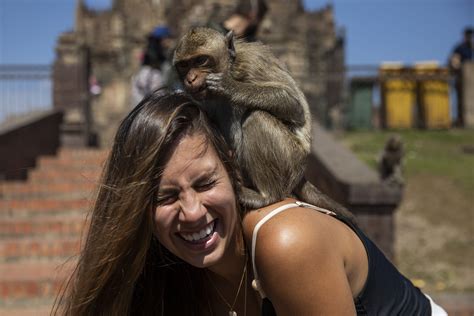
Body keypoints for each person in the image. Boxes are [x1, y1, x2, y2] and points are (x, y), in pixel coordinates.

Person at [54, 90, 446, 315]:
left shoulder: (286, 242)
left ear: (232, 171)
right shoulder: (174, 272)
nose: (192, 212)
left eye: (205, 183)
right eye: (166, 197)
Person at [131, 26, 173, 106]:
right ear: (161, 39)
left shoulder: (155, 51)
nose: (169, 42)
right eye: (167, 38)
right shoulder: (154, 54)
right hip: (151, 79)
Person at [449, 27, 473, 126]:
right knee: (461, 100)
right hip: (462, 77)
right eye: (468, 35)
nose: (469, 37)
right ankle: (461, 121)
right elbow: (454, 60)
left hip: (472, 78)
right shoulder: (460, 47)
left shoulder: (471, 48)